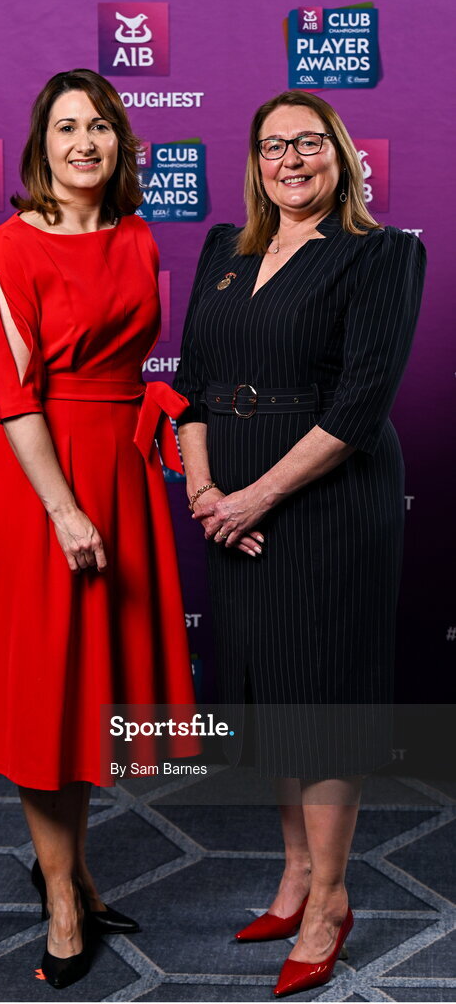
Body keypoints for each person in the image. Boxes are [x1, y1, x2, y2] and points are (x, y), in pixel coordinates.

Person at [0, 68, 196, 990]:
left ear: (121, 143)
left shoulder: (136, 235)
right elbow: (13, 396)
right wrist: (64, 507)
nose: (85, 142)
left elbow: (129, 365)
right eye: (67, 127)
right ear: (41, 145)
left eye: (102, 127)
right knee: (46, 697)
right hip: (37, 483)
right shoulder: (7, 248)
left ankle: (75, 871)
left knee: (84, 697)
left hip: (117, 469)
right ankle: (61, 902)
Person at [173, 90, 426, 997]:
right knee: (269, 696)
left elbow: (358, 407)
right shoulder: (223, 250)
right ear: (255, 160)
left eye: (309, 143)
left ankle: (331, 899)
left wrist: (255, 499)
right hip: (230, 503)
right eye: (273, 145)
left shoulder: (381, 254)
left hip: (325, 507)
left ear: (342, 154)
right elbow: (192, 385)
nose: (291, 160)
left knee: (318, 702)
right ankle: (292, 878)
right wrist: (206, 491)